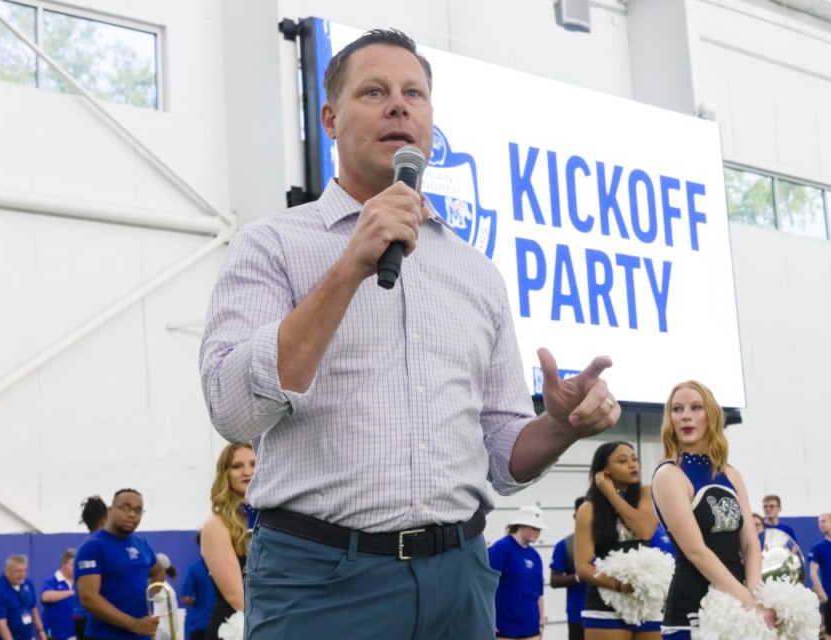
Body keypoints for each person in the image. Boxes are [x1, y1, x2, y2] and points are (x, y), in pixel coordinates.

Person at [198, 27, 619, 640]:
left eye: (414, 94)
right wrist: (349, 266)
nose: (399, 105)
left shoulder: (476, 272)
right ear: (330, 118)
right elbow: (233, 410)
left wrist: (557, 425)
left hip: (460, 580)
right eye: (374, 91)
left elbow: (501, 456)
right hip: (321, 584)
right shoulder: (274, 245)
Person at [650, 380, 773, 639]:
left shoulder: (731, 474)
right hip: (692, 612)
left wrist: (753, 592)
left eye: (696, 408)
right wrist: (749, 603)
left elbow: (751, 544)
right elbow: (695, 550)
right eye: (677, 409)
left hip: (739, 611)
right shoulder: (669, 474)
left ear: (712, 416)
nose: (685, 416)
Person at [574, 441, 660, 639]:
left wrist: (612, 494)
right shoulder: (588, 509)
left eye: (634, 459)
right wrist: (619, 586)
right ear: (605, 471)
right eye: (623, 461)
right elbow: (583, 567)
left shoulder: (646, 494)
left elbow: (645, 530)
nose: (632, 465)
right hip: (605, 604)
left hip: (647, 603)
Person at [75, 488, 164, 640]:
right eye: (125, 508)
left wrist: (156, 604)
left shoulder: (141, 544)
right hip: (104, 636)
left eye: (138, 510)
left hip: (142, 636)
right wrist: (134, 624)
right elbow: (88, 598)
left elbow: (157, 570)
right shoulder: (93, 546)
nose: (132, 514)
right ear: (110, 510)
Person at [200, 443, 255, 640]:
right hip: (234, 627)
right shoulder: (217, 524)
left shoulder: (274, 517)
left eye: (253, 464)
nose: (247, 472)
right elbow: (234, 595)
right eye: (237, 466)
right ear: (225, 473)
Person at [489, 506, 549, 640]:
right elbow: (485, 587)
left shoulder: (535, 556)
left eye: (539, 528)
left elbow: (539, 594)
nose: (538, 532)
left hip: (532, 630)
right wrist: (488, 621)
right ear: (521, 525)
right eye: (534, 527)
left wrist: (541, 625)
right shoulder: (501, 548)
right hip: (505, 630)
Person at [550, 497, 588, 640]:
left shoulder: (605, 542)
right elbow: (554, 580)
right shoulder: (565, 545)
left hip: (605, 614)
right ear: (575, 516)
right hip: (578, 614)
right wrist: (578, 576)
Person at [0, 555, 46, 640]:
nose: (22, 575)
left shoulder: (27, 584)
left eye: (24, 571)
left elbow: (33, 608)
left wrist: (40, 631)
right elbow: (1, 625)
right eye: (18, 571)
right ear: (7, 571)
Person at [74, 497, 107, 640]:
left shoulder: (89, 547)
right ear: (103, 522)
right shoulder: (95, 548)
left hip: (83, 617)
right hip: (93, 619)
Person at [181, 533, 214, 640]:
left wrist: (200, 602)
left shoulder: (194, 569)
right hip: (222, 624)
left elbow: (186, 598)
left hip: (199, 625)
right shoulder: (228, 567)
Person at [40, 549, 77, 640]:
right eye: (72, 565)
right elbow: (45, 597)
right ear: (63, 564)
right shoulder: (52, 581)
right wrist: (71, 592)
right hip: (55, 634)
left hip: (76, 633)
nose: (75, 568)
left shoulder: (79, 581)